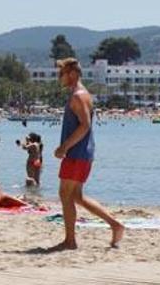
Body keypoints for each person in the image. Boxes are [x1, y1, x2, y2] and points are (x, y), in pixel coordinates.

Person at [53, 58, 124, 250]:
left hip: (77, 153)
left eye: (62, 74)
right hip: (83, 153)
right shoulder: (83, 94)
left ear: (73, 74)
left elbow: (85, 125)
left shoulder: (78, 95)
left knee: (65, 194)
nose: (59, 78)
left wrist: (64, 147)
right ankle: (115, 225)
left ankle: (70, 241)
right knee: (76, 196)